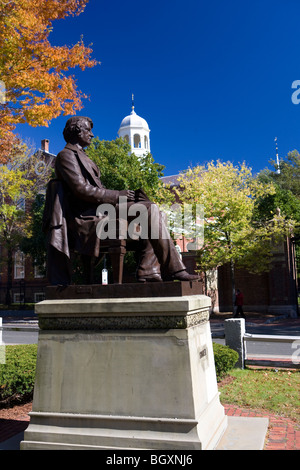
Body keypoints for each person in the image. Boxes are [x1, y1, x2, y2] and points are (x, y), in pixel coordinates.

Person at [43, 116, 199, 286]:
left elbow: (95, 191)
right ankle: (175, 270)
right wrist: (119, 196)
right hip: (86, 215)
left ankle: (149, 271)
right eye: (88, 130)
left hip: (100, 209)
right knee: (148, 210)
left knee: (156, 212)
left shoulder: (83, 156)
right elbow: (81, 189)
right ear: (76, 131)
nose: (92, 134)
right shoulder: (66, 156)